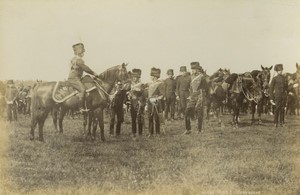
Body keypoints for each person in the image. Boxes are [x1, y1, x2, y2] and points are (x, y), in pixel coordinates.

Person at [68, 43, 99, 113]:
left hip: (77, 78)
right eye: (82, 51)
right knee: (83, 89)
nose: (83, 52)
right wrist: (94, 73)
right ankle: (80, 108)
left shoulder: (75, 59)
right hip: (74, 78)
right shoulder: (78, 60)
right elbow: (85, 68)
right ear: (78, 51)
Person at [184, 62, 208, 134]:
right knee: (186, 112)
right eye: (192, 69)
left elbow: (206, 88)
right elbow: (188, 87)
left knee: (199, 113)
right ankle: (188, 129)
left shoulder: (202, 77)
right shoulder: (190, 77)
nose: (193, 70)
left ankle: (199, 130)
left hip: (200, 96)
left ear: (198, 69)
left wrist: (202, 95)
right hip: (192, 97)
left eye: (194, 69)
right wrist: (189, 95)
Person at [128, 69, 146, 138]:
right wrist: (129, 95)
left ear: (138, 78)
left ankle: (140, 133)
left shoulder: (141, 85)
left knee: (139, 118)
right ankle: (133, 132)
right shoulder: (131, 85)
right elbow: (130, 94)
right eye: (133, 77)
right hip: (132, 103)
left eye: (135, 77)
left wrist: (141, 102)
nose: (134, 78)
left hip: (139, 103)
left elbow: (143, 94)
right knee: (133, 118)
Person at [147, 67, 165, 137]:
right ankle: (150, 133)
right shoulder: (150, 84)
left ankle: (157, 132)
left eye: (151, 76)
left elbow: (162, 95)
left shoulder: (160, 84)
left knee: (156, 118)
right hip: (149, 102)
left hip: (156, 103)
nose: (150, 77)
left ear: (154, 77)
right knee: (150, 117)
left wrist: (156, 99)